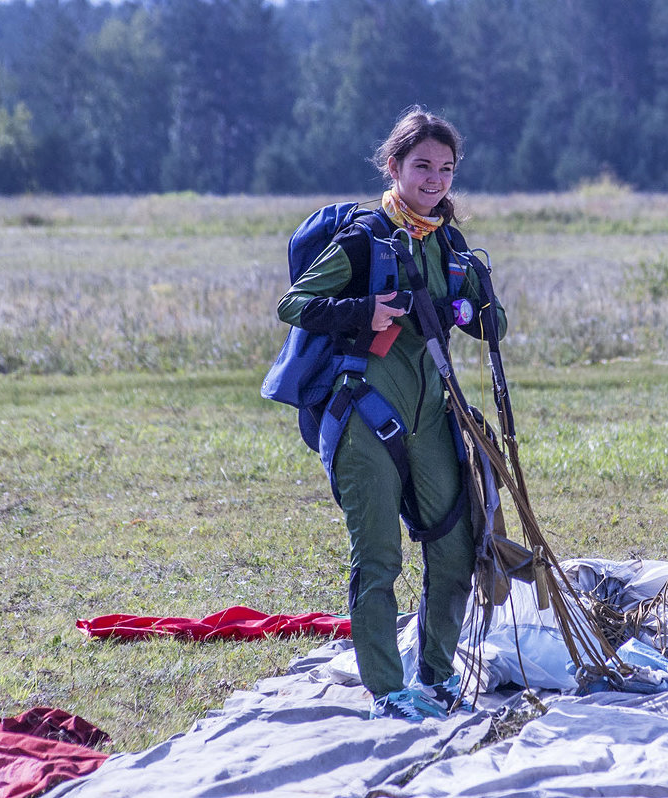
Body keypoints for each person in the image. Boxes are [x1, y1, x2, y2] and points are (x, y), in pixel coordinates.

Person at [277, 107, 507, 721]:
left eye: (445, 169)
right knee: (377, 556)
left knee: (456, 548)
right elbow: (294, 304)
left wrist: (470, 308)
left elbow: (497, 324)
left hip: (433, 412)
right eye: (421, 166)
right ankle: (388, 689)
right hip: (365, 413)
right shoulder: (364, 239)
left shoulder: (453, 246)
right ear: (395, 167)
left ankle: (436, 672)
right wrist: (365, 310)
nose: (434, 179)